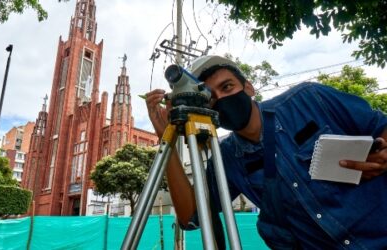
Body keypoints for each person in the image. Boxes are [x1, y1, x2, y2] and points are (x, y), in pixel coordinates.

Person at [145, 55, 387, 249]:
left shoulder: (308, 99)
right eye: (211, 98)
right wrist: (167, 138)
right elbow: (190, 217)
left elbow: (380, 126)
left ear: (248, 87)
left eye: (227, 86)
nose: (221, 98)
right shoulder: (227, 158)